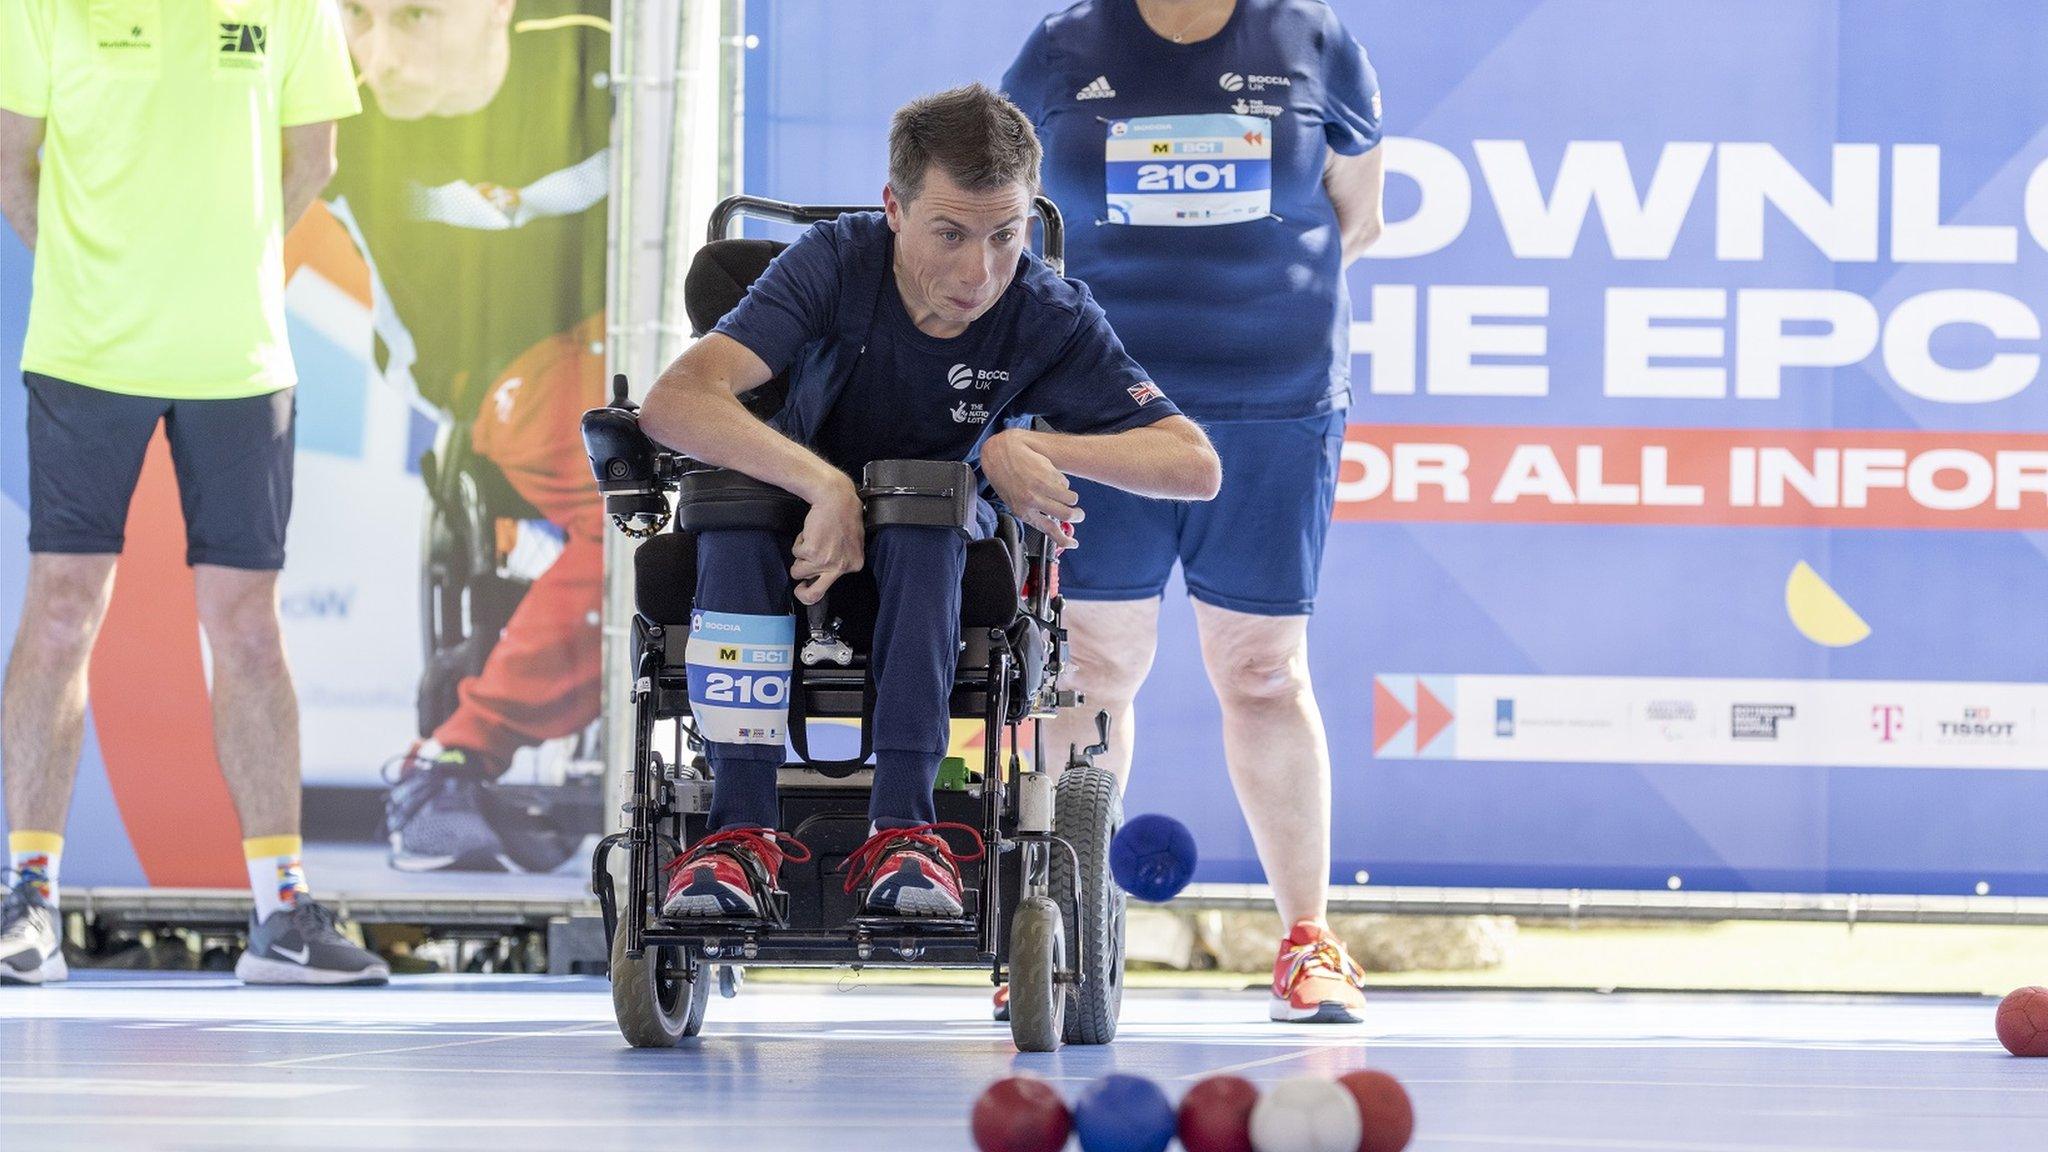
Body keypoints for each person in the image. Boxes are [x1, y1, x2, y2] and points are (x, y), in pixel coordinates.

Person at [638, 83, 1221, 919]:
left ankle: (904, 832)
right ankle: (737, 836)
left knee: (924, 499)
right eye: (949, 233)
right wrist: (823, 484)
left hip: (934, 559)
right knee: (733, 509)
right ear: (894, 209)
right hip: (788, 551)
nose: (977, 272)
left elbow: (1194, 464)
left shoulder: (1043, 313)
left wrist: (1030, 445)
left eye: (1006, 235)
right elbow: (675, 404)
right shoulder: (836, 262)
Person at [1003, 0, 1386, 1022]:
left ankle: (1306, 944)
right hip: (1097, 413)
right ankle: (1049, 937)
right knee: (1087, 668)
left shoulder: (1312, 39)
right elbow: (1011, 217)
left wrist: (1250, 313)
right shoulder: (1059, 45)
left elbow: (1358, 217)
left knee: (1263, 671)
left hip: (1270, 409)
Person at [0, 1, 387, 985]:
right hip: (84, 355)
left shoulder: (294, 6)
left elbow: (314, 160)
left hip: (241, 362)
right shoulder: (39, 6)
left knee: (249, 626)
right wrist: (104, 283)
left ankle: (282, 915)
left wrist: (218, 273)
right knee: (59, 610)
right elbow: (14, 162)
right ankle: (28, 899)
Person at [325, 0, 612, 873]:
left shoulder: (601, 41)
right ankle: (451, 757)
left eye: (407, 18)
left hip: (640, 330)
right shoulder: (322, 103)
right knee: (651, 519)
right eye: (352, 20)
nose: (372, 58)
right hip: (497, 370)